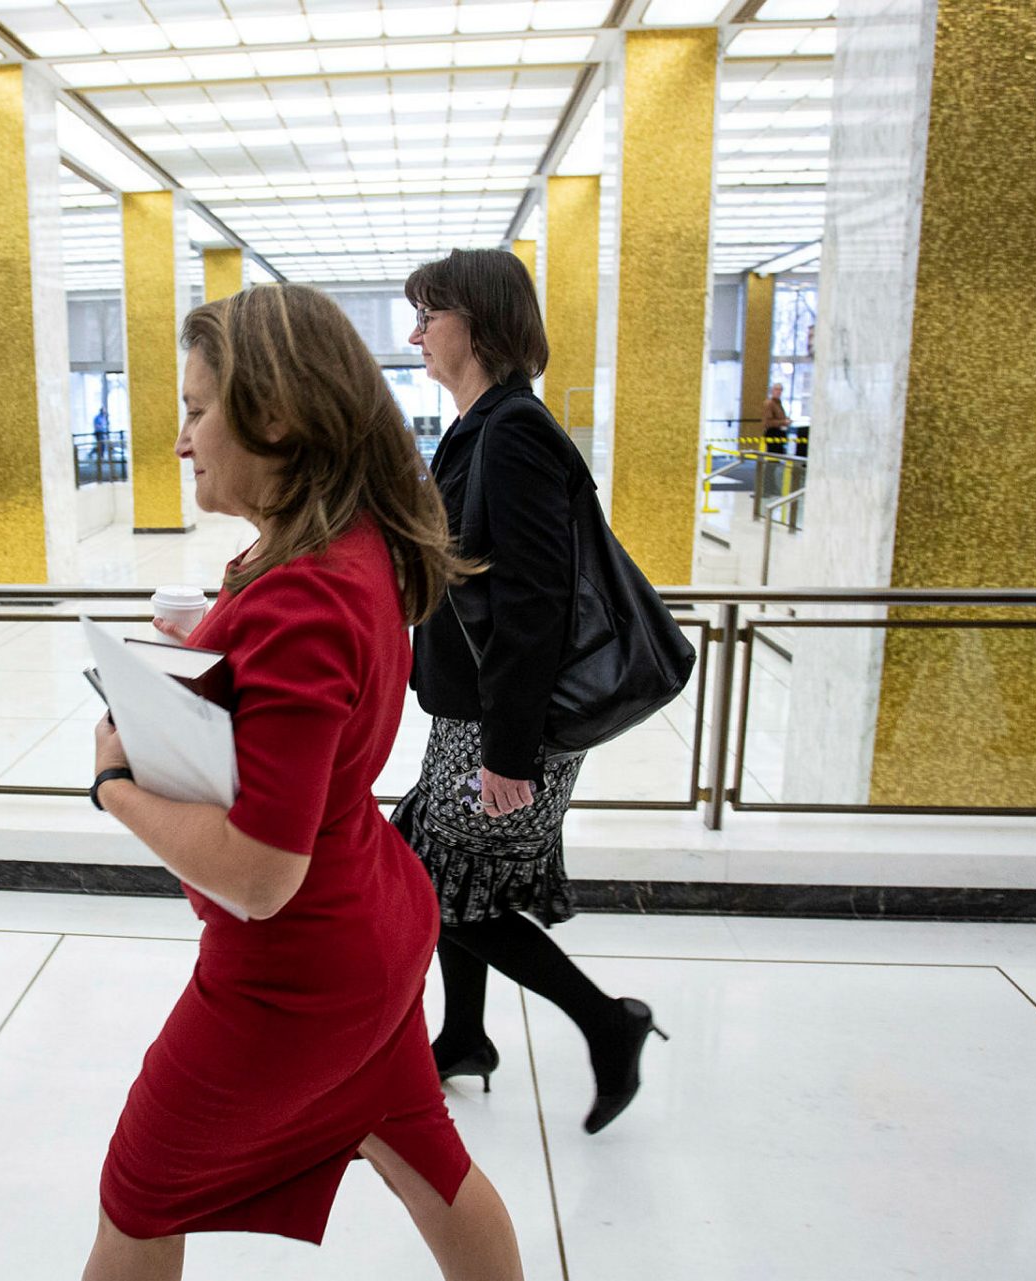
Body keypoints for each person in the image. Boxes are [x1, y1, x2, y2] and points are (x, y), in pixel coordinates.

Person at [84, 284, 524, 1281]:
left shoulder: (302, 597)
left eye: (198, 410)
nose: (185, 439)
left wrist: (113, 782)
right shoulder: (342, 548)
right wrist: (214, 648)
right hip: (372, 924)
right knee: (428, 1163)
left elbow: (259, 874)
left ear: (276, 415)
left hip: (295, 973)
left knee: (141, 1192)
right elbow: (300, 707)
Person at [393, 248, 667, 1136]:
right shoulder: (485, 425)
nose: (416, 333)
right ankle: (466, 1033)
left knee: (433, 881)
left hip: (504, 722)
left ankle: (606, 1020)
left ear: (475, 321)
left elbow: (536, 598)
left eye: (429, 314)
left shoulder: (512, 431)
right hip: (475, 712)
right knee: (448, 874)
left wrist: (510, 750)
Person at [761, 381, 791, 454]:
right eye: (776, 389)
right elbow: (768, 422)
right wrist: (783, 422)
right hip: (773, 433)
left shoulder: (778, 403)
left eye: (780, 390)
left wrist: (786, 420)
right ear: (772, 391)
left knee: (779, 456)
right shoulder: (769, 403)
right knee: (773, 458)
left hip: (780, 434)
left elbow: (780, 417)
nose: (779, 392)